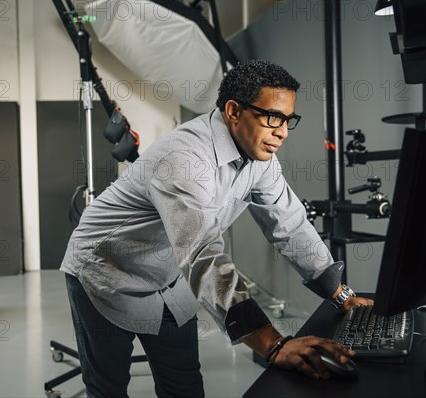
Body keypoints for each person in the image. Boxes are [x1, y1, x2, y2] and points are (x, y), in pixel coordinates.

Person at [60, 60, 374, 397]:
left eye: (288, 120)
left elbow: (290, 222)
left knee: (184, 386)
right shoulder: (185, 159)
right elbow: (202, 254)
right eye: (273, 117)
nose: (282, 131)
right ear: (234, 110)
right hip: (105, 271)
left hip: (168, 277)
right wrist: (272, 344)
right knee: (108, 390)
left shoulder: (259, 160)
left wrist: (338, 292)